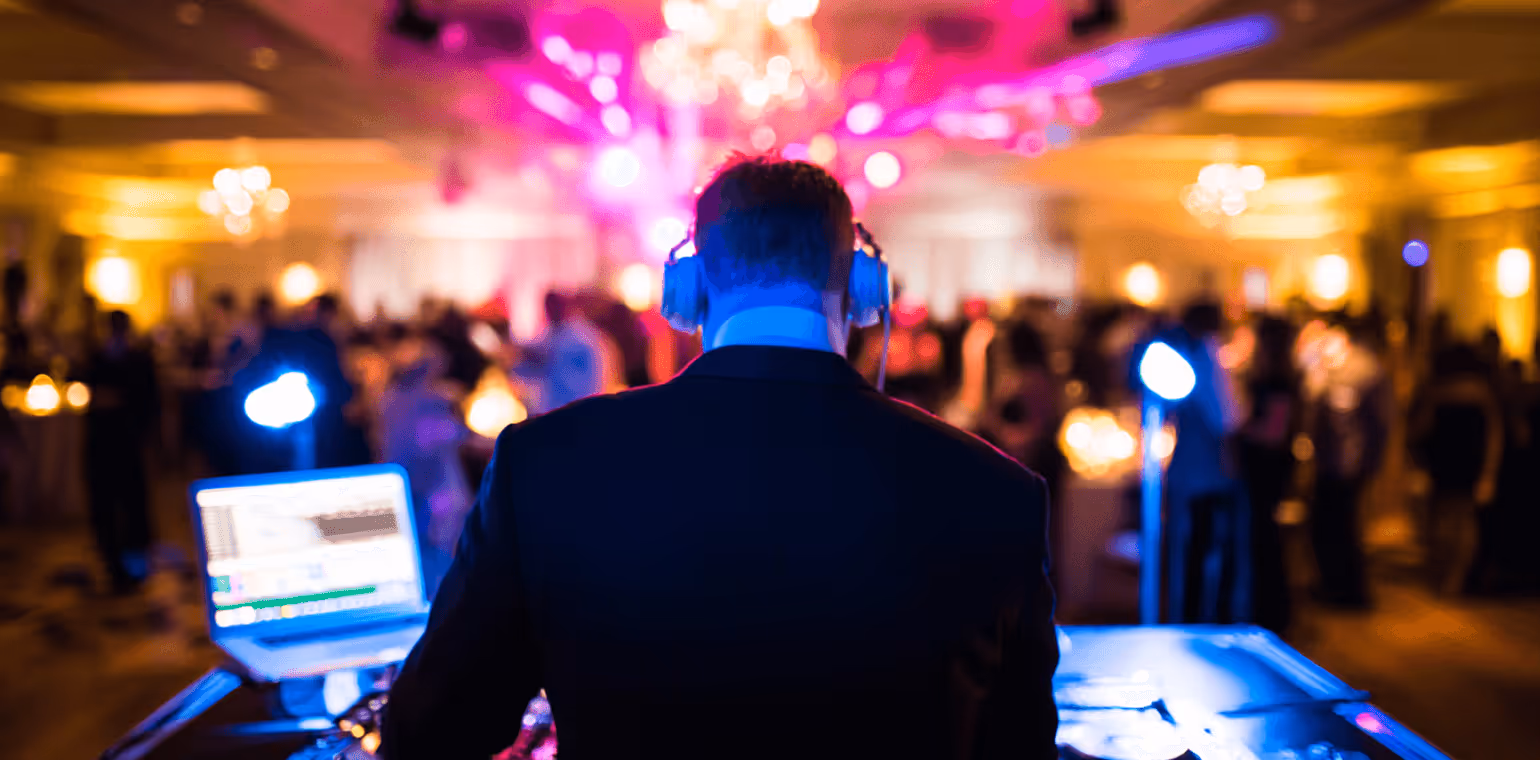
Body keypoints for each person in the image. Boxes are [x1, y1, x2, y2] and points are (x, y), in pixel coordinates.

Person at [382, 155, 1059, 760]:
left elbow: (432, 730)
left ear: (688, 289)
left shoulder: (545, 462)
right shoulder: (998, 490)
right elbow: (1018, 744)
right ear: (862, 290)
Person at [1164, 302, 1249, 624]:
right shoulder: (1209, 358)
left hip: (1198, 473)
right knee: (1202, 551)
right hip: (1207, 473)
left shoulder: (1198, 355)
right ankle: (1197, 619)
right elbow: (1226, 419)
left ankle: (1192, 617)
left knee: (1197, 551)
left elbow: (1220, 418)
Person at [1306, 318, 1389, 608]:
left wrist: (1372, 462)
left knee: (1344, 528)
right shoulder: (1326, 368)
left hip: (1350, 465)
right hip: (1328, 462)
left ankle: (1351, 593)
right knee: (1325, 526)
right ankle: (1332, 585)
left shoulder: (1365, 370)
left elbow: (1380, 422)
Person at [1411, 343, 1502, 596]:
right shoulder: (1480, 392)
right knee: (1461, 521)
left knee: (1443, 520)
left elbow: (1420, 428)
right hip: (1465, 465)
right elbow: (1494, 436)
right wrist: (1489, 473)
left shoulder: (1437, 391)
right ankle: (1453, 578)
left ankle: (1446, 577)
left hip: (1445, 465)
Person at [83, 311, 160, 595]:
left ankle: (132, 565)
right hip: (105, 444)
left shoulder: (136, 359)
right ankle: (115, 566)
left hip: (125, 442)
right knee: (108, 506)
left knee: (131, 504)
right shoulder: (99, 357)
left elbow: (149, 402)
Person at [1236, 316, 1299, 633]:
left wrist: (1237, 429)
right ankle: (1269, 611)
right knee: (1265, 541)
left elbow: (1273, 432)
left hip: (1266, 469)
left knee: (1265, 541)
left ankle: (1271, 614)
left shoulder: (1277, 382)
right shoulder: (1279, 378)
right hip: (1268, 467)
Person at [515, 292, 612, 415]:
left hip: (578, 409)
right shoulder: (552, 336)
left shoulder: (581, 338)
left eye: (553, 306)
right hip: (555, 410)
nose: (549, 312)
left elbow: (552, 362)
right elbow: (532, 369)